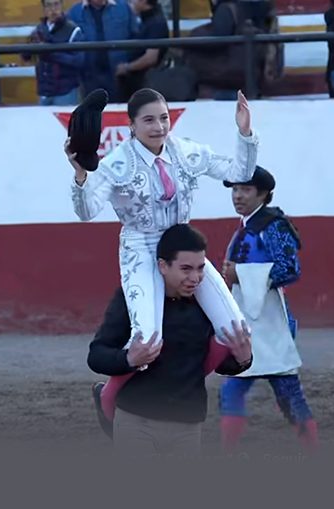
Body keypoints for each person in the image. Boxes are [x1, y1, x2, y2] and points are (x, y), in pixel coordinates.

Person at [66, 87, 258, 435]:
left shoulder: (184, 151)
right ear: (132, 125)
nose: (159, 127)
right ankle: (108, 395)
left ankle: (184, 382)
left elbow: (239, 173)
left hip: (182, 247)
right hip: (141, 249)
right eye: (149, 120)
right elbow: (87, 211)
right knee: (148, 341)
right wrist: (81, 175)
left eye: (164, 118)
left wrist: (244, 133)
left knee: (235, 330)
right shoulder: (117, 163)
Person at [87, 224, 253, 455]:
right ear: (163, 266)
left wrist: (243, 360)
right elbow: (97, 355)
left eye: (200, 269)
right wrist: (128, 359)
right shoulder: (134, 300)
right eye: (186, 269)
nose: (195, 278)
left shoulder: (206, 305)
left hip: (187, 424)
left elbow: (215, 363)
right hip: (137, 420)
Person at [217, 166, 318, 453]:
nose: (238, 196)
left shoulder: (273, 225)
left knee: (288, 394)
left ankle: (313, 452)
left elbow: (290, 269)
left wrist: (241, 274)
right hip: (249, 322)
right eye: (235, 189)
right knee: (232, 389)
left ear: (262, 194)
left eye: (245, 190)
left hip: (270, 325)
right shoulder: (248, 224)